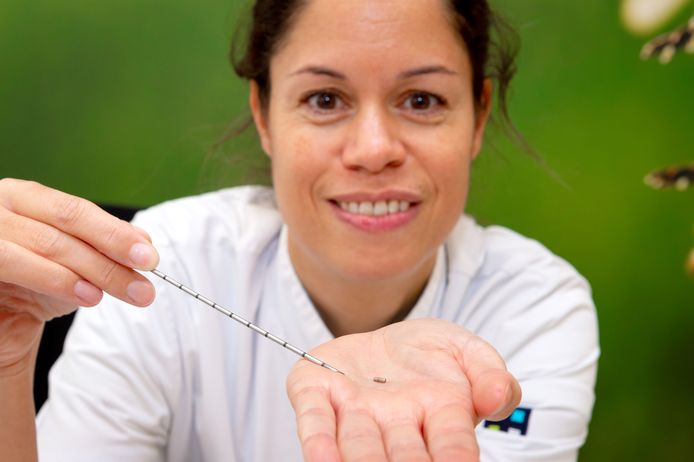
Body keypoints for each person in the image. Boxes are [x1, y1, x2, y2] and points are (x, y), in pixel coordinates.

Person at [0, 0, 599, 460]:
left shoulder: (536, 307)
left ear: (478, 116)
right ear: (264, 115)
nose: (373, 150)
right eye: (324, 98)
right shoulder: (161, 269)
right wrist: (7, 362)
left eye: (420, 100)